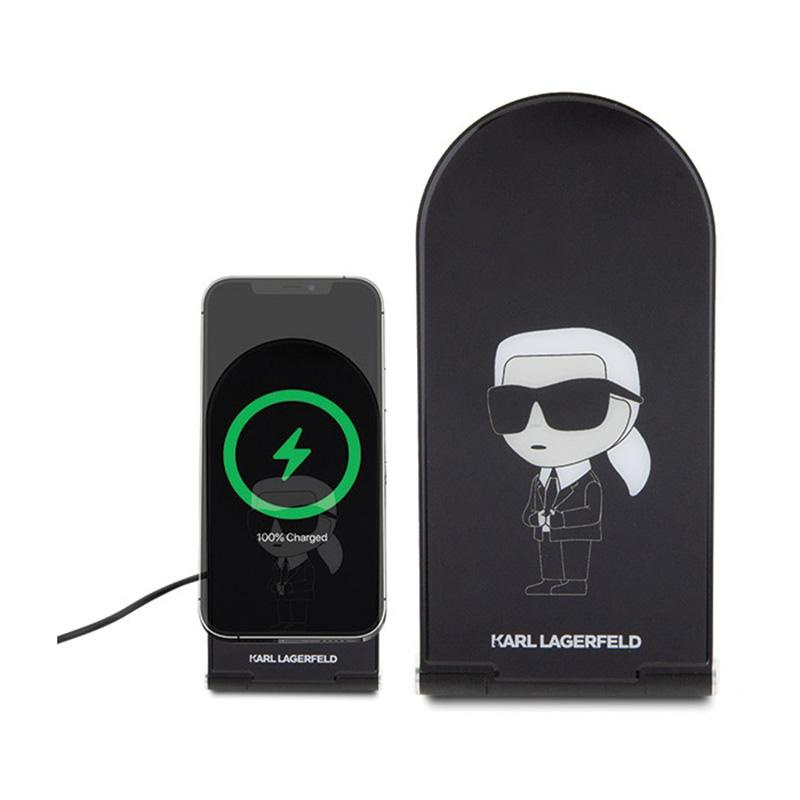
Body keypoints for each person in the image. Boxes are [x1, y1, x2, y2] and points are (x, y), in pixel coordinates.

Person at [488, 328, 650, 596]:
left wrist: (559, 519)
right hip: (547, 531)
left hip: (575, 533)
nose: (536, 422)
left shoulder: (589, 483)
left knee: (574, 555)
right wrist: (534, 517)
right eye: (513, 404)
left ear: (626, 410)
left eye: (576, 402)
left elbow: (590, 513)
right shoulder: (539, 481)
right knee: (549, 554)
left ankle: (575, 582)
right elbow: (530, 508)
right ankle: (550, 579)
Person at [250, 476, 343, 630]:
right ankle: (284, 622)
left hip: (299, 595)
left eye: (295, 522)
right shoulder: (279, 564)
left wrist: (290, 588)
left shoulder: (309, 565)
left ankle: (297, 623)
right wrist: (275, 587)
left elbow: (307, 582)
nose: (275, 533)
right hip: (281, 594)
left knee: (298, 608)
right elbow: (274, 577)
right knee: (283, 607)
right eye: (262, 521)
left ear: (326, 526)